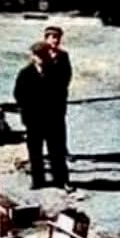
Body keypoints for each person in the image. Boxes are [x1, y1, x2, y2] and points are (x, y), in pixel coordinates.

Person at [13, 42, 72, 191]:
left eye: (43, 55)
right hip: (34, 120)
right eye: (37, 56)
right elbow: (19, 94)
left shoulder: (56, 71)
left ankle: (61, 180)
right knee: (35, 152)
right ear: (33, 57)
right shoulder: (25, 73)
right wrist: (27, 112)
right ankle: (38, 180)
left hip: (53, 119)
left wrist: (59, 111)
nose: (40, 59)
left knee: (57, 151)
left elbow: (62, 92)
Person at [42, 26, 72, 159]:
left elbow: (67, 74)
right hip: (43, 96)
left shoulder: (63, 55)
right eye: (53, 37)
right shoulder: (39, 54)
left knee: (59, 123)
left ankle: (62, 149)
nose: (56, 40)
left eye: (58, 38)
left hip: (58, 95)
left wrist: (60, 88)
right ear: (46, 38)